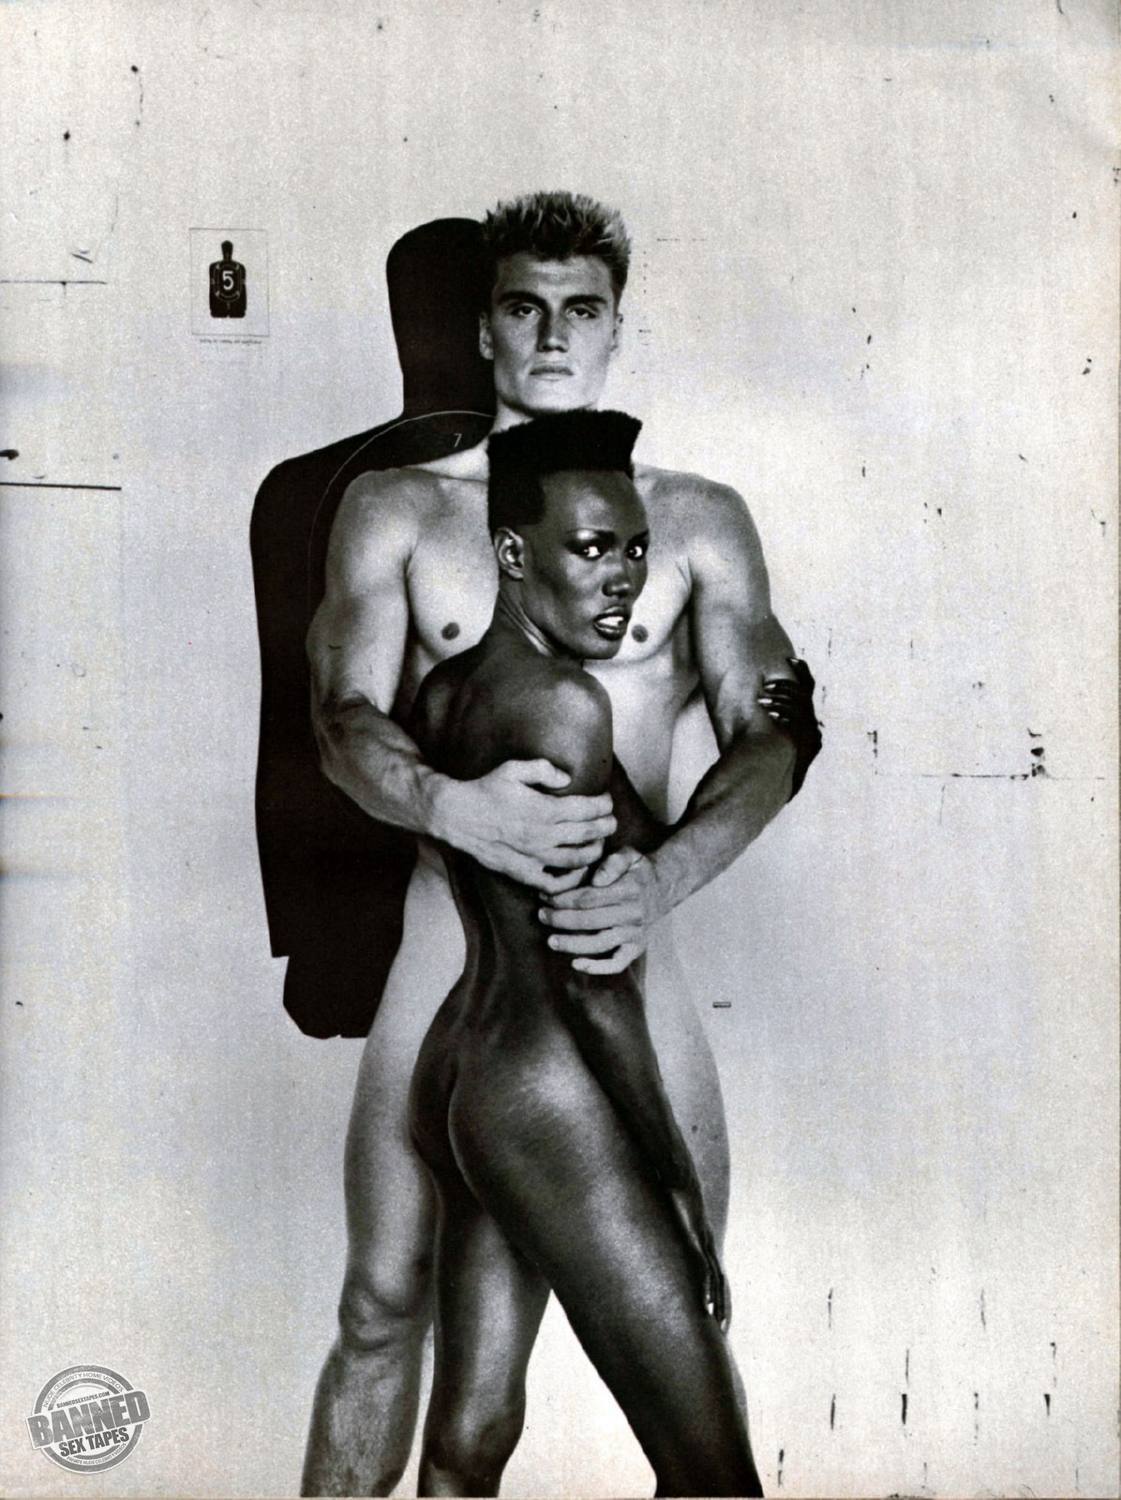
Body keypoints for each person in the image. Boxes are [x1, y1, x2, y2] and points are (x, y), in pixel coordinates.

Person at [304, 191, 820, 1496]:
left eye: (580, 309)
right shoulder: (397, 511)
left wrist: (662, 877)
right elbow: (341, 721)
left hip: (620, 946)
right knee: (381, 1301)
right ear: (483, 328)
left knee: (685, 1313)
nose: (551, 335)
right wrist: (448, 806)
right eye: (522, 307)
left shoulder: (696, 521)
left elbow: (776, 734)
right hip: (448, 942)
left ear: (614, 327)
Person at [408, 408, 762, 1497]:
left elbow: (612, 849)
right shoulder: (565, 706)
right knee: (714, 1478)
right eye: (592, 548)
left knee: (467, 1442)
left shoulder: (449, 690)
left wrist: (779, 740)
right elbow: (588, 978)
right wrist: (676, 1191)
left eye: (636, 548)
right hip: (547, 1085)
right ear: (514, 555)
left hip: (461, 1067)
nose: (625, 581)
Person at [250, 218, 494, 1038]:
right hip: (423, 885)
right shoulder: (312, 488)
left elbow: (290, 728)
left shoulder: (300, 487)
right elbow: (299, 722)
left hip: (371, 894)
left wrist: (309, 931)